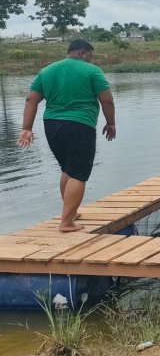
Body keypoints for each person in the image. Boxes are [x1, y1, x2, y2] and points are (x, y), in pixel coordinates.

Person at [18, 39, 116, 232]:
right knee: (79, 174)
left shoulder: (47, 71)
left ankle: (70, 212)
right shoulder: (92, 71)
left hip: (52, 125)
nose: (91, 60)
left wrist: (26, 128)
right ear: (82, 53)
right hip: (80, 125)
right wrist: (111, 123)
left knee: (67, 170)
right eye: (90, 56)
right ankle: (67, 222)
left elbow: (31, 99)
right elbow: (107, 101)